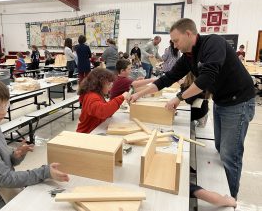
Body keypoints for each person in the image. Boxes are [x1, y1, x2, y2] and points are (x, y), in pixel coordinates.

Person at [129, 18, 255, 198]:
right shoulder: (188, 56)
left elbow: (206, 78)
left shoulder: (213, 43)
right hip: (222, 101)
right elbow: (167, 78)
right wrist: (139, 94)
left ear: (189, 34)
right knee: (220, 147)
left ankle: (230, 199)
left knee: (230, 155)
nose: (174, 44)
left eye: (176, 40)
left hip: (239, 102)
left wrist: (178, 98)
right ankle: (223, 193)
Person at [0, 75, 69, 211]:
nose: (3, 112)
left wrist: (15, 156)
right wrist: (45, 172)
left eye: (5, 105)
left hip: (8, 195)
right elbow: (5, 179)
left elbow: (3, 164)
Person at [76, 68, 129, 133]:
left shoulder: (97, 94)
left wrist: (113, 106)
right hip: (86, 133)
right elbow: (103, 111)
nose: (111, 86)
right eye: (108, 84)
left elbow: (107, 113)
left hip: (95, 129)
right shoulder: (91, 96)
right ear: (98, 84)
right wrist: (121, 98)